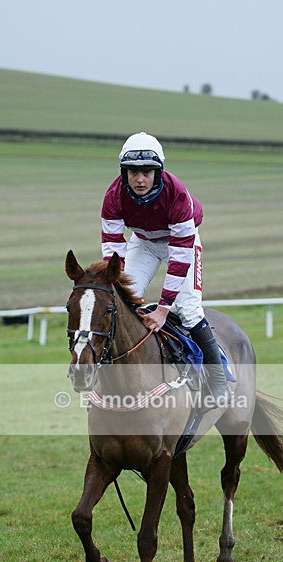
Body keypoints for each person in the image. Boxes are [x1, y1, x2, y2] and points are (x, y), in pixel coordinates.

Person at [100, 132, 230, 406]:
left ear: (158, 171)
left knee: (189, 310)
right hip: (143, 242)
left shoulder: (178, 194)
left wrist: (162, 309)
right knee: (122, 300)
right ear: (124, 173)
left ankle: (218, 381)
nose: (139, 180)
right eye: (132, 172)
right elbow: (113, 250)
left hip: (181, 242)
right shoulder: (113, 195)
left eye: (146, 172)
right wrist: (118, 287)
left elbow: (179, 258)